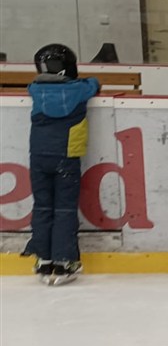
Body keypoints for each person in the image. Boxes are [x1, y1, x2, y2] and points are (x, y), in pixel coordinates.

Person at [24, 44, 99, 285]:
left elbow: (30, 87)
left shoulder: (35, 89)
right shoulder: (80, 89)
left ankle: (43, 258)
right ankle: (64, 260)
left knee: (42, 206)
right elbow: (94, 84)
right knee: (65, 208)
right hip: (66, 157)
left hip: (39, 156)